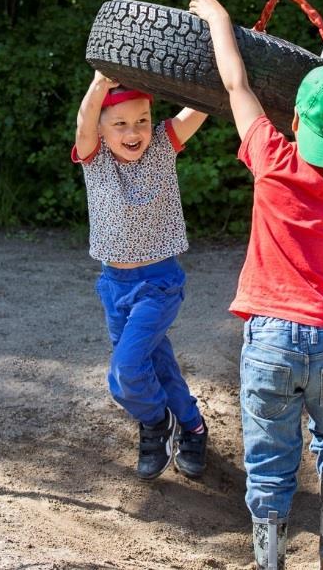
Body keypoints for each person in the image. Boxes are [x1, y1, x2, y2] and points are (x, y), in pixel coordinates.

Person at [189, 0, 323, 570]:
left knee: (270, 454)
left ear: (294, 121)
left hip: (270, 339)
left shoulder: (271, 156)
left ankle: (269, 560)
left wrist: (220, 19)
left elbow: (237, 87)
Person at [72, 70, 209, 481]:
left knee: (126, 371)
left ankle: (155, 422)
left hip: (159, 283)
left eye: (142, 121)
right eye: (120, 124)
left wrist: (221, 70)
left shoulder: (163, 146)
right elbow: (83, 123)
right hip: (114, 286)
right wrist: (98, 82)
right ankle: (192, 426)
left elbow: (201, 108)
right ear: (101, 128)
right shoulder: (94, 160)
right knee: (157, 364)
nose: (133, 132)